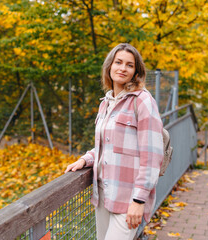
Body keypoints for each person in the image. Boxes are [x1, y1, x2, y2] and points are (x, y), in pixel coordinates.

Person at [65, 43, 164, 240]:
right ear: (109, 66)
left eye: (129, 65)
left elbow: (152, 155)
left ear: (136, 71)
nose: (123, 68)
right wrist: (86, 159)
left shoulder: (142, 101)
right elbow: (107, 144)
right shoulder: (105, 103)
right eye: (118, 62)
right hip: (102, 194)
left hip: (128, 197)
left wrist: (139, 199)